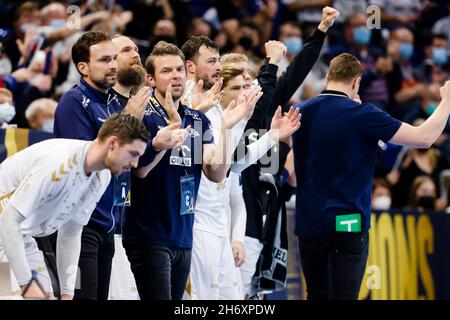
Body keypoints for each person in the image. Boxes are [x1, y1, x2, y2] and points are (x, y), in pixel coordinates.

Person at [292, 52, 450, 300]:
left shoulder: (301, 111)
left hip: (310, 224)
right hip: (348, 222)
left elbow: (291, 172)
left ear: (329, 77)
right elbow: (425, 138)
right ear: (356, 82)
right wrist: (447, 102)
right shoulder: (363, 114)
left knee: (316, 295)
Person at [122, 41, 260, 300]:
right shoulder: (143, 114)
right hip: (149, 236)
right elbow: (138, 171)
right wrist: (159, 144)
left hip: (184, 236)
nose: (175, 76)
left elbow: (216, 173)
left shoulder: (197, 119)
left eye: (178, 70)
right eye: (166, 71)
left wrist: (229, 129)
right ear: (150, 79)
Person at [54, 31, 178, 300]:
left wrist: (158, 143)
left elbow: (133, 164)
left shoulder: (111, 102)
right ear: (83, 67)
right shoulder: (74, 102)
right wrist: (128, 121)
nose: (112, 65)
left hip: (107, 225)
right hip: (80, 224)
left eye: (113, 59)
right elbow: (85, 162)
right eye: (104, 60)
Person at [0, 112, 149, 299]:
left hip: (20, 236)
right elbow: (8, 219)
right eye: (133, 154)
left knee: (45, 294)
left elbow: (71, 233)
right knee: (17, 295)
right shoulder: (58, 164)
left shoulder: (102, 176)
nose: (135, 163)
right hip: (4, 229)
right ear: (112, 143)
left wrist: (67, 293)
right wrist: (26, 284)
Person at [189, 66, 301, 300]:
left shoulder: (229, 123)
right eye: (238, 87)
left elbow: (234, 174)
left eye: (246, 86)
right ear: (220, 90)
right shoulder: (203, 120)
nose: (244, 92)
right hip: (197, 228)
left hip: (224, 229)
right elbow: (221, 169)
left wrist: (271, 136)